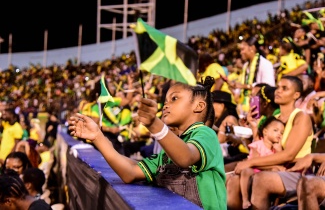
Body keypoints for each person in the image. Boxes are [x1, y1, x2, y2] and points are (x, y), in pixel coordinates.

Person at [68, 76, 227, 209]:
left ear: (199, 106)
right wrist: (98, 137)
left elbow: (186, 157)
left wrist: (154, 124)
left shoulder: (205, 134)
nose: (166, 104)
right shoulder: (167, 154)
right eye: (165, 100)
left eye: (174, 98)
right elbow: (130, 172)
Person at [227, 75, 313, 209]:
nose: (278, 91)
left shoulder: (301, 117)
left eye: (284, 88)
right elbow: (260, 147)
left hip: (296, 172)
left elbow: (289, 155)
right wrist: (253, 126)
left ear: (296, 95)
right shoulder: (275, 118)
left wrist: (250, 162)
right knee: (234, 180)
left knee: (262, 180)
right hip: (272, 168)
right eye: (278, 87)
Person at [240, 116, 285, 209]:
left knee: (277, 170)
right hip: (255, 170)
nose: (279, 134)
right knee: (246, 171)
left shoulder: (277, 148)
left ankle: (276, 203)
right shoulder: (258, 145)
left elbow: (281, 163)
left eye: (282, 133)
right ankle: (245, 199)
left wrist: (279, 150)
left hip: (267, 172)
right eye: (275, 130)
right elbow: (255, 162)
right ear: (265, 132)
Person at [228, 35, 276, 113]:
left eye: (243, 49)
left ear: (252, 48)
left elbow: (269, 87)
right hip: (244, 108)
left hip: (260, 108)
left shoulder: (265, 64)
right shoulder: (245, 66)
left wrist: (244, 86)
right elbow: (240, 91)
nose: (241, 53)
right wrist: (233, 87)